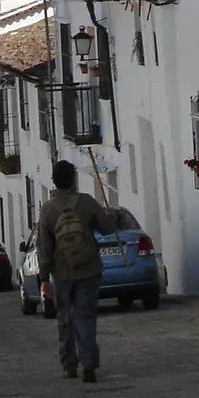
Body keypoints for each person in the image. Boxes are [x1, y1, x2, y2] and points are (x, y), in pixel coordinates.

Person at [36, 159, 117, 383]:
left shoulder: (48, 209)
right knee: (86, 317)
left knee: (64, 318)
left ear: (54, 181)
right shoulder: (87, 203)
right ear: (73, 179)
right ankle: (88, 360)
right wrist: (109, 215)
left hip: (61, 273)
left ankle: (69, 365)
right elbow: (107, 229)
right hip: (89, 269)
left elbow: (44, 246)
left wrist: (43, 277)